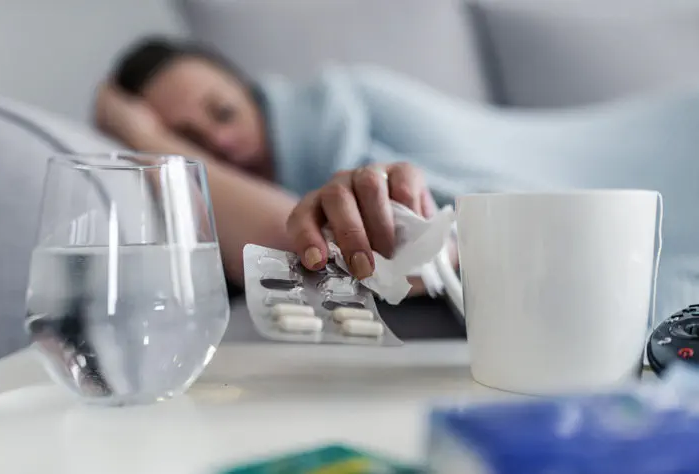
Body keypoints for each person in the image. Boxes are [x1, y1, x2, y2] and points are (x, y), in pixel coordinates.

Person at [96, 37, 699, 318]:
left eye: (223, 113)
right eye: (192, 143)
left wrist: (149, 137)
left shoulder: (352, 106)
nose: (221, 142)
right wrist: (148, 146)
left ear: (256, 95)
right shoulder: (287, 195)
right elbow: (295, 246)